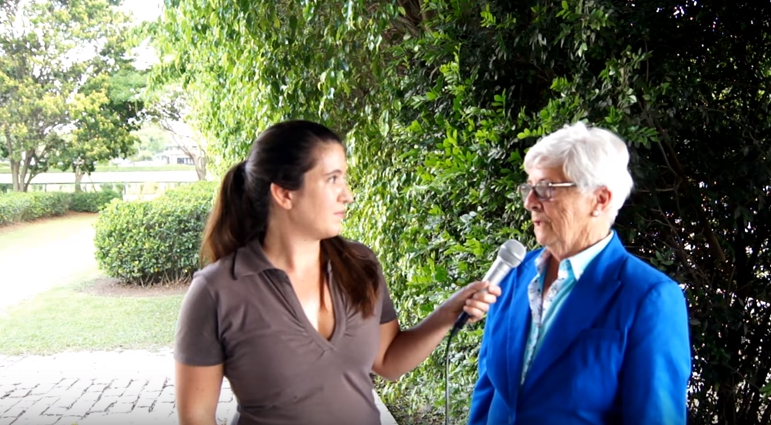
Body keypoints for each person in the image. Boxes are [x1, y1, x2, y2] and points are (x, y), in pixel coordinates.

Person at [174, 120, 501, 425]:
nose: (348, 195)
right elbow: (196, 417)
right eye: (333, 179)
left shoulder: (360, 265)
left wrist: (447, 314)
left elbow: (387, 361)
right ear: (284, 193)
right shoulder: (218, 291)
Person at [467, 122, 692, 425]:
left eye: (546, 188)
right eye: (529, 187)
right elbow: (488, 394)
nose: (529, 202)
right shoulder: (512, 275)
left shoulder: (649, 298)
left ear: (600, 199)